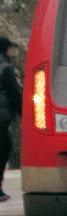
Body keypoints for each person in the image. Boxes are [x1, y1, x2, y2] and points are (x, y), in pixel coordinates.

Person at [0, 36, 22, 202]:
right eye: (10, 48)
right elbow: (14, 94)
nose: (11, 51)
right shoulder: (5, 67)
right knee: (4, 149)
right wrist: (24, 115)